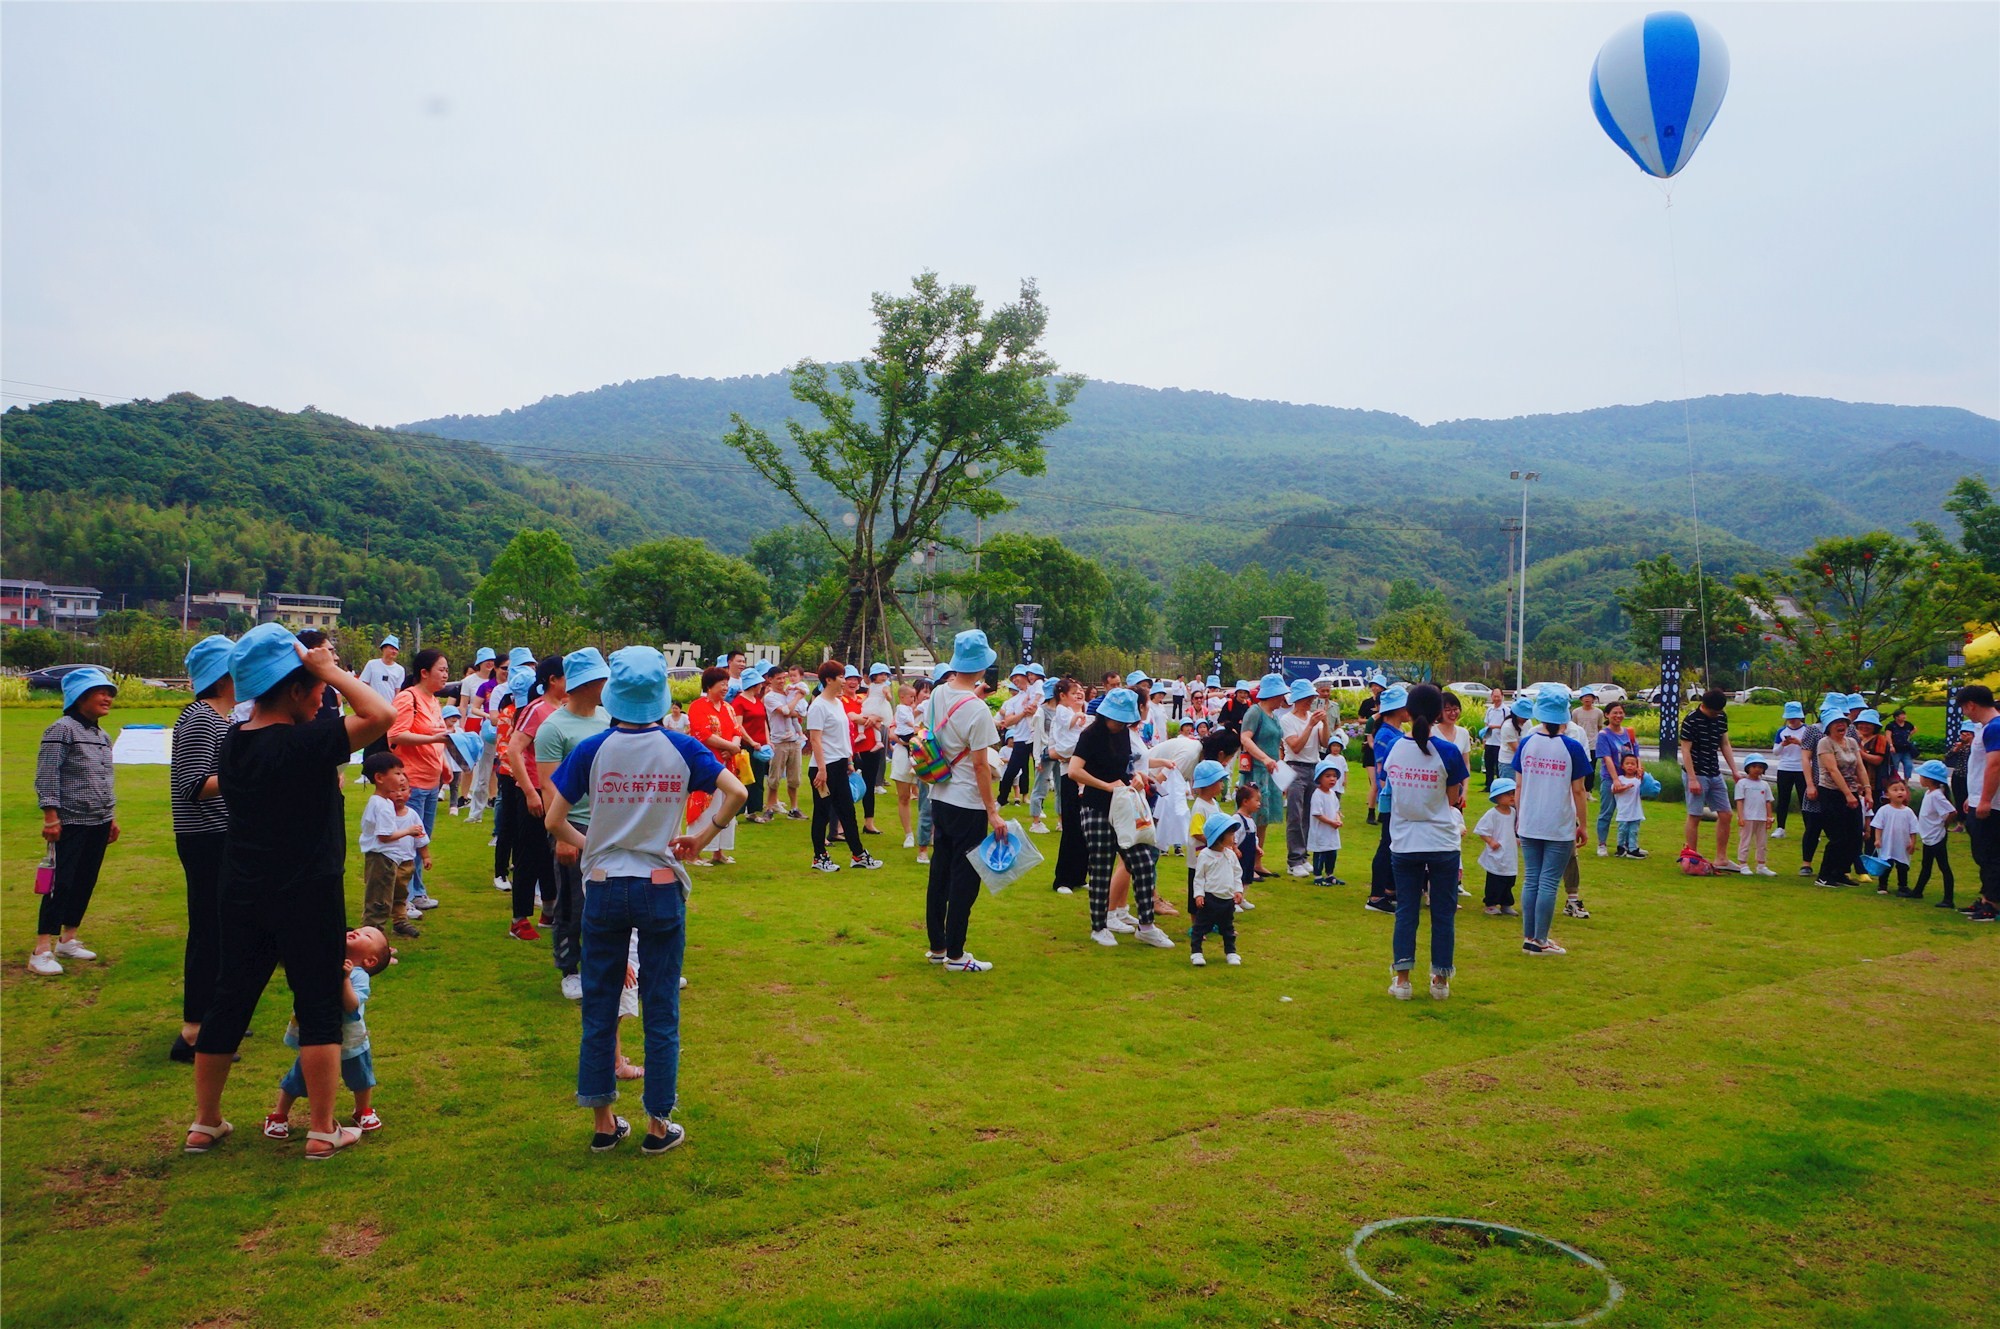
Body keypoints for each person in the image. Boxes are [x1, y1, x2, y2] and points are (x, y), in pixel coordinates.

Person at [184, 623, 394, 1160]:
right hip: (308, 892)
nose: (324, 695)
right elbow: (381, 716)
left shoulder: (234, 741)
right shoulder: (307, 740)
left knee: (230, 1000)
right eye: (317, 687)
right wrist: (331, 669)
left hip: (243, 888)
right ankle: (322, 1129)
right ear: (297, 688)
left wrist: (317, 671)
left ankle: (205, 1122)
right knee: (320, 1004)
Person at [546, 645, 748, 1155]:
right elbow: (738, 793)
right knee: (661, 1007)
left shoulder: (593, 749)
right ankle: (659, 1126)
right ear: (660, 695)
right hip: (660, 884)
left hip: (607, 886)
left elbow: (552, 820)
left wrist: (593, 848)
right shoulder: (681, 747)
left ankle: (603, 1122)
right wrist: (702, 838)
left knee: (600, 1004)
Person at [921, 630, 1011, 972]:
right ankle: (957, 954)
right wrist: (993, 811)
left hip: (939, 792)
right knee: (965, 878)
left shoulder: (939, 692)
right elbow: (979, 765)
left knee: (940, 872)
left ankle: (938, 947)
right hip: (968, 802)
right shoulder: (978, 710)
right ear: (983, 668)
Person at [261, 925, 393, 1141]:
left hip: (350, 1040)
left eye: (367, 935)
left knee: (361, 1077)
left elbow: (351, 1006)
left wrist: (344, 979)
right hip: (317, 1037)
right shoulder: (325, 959)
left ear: (369, 961)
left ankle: (363, 1110)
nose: (357, 931)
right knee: (300, 1076)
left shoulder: (358, 976)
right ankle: (279, 1114)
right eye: (359, 929)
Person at [31, 666, 122, 976]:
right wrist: (51, 817)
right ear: (79, 696)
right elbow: (47, 774)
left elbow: (104, 779)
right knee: (60, 883)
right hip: (69, 822)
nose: (107, 697)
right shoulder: (62, 729)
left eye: (110, 693)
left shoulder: (102, 735)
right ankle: (41, 949)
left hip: (98, 821)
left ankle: (68, 939)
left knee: (85, 880)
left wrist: (110, 817)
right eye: (101, 691)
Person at [1382, 683, 1470, 999]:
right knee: (1443, 913)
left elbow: (1391, 789)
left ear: (1407, 712)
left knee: (1406, 911)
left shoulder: (1395, 750)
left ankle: (1403, 981)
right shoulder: (1448, 751)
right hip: (1442, 842)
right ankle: (1440, 982)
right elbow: (1452, 798)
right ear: (1438, 713)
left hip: (1405, 842)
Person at [168, 638, 235, 1054]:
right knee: (208, 931)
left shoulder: (221, 719)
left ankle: (216, 1016)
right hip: (205, 838)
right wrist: (249, 773)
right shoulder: (200, 719)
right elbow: (193, 786)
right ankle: (193, 1030)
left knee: (226, 931)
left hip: (222, 836)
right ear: (223, 676)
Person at [1070, 687, 1174, 950]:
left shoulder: (1125, 735)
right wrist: (1104, 785)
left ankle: (1147, 926)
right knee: (1101, 867)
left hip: (1124, 808)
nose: (1120, 724)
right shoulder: (1091, 734)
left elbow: (1127, 768)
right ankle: (1099, 926)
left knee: (1142, 861)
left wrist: (1137, 778)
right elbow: (1074, 771)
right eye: (1118, 719)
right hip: (1096, 808)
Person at [536, 648, 611, 999]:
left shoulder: (609, 718)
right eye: (601, 679)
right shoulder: (553, 727)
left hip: (610, 822)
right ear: (586, 683)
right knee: (572, 900)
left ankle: (620, 966)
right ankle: (569, 968)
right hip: (573, 824)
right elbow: (549, 785)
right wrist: (561, 834)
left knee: (615, 896)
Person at [1511, 685, 1588, 957]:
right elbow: (1579, 790)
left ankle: (1530, 937)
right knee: (1547, 882)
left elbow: (1518, 787)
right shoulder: (1572, 747)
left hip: (1530, 820)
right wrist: (1583, 824)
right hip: (1558, 823)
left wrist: (1520, 818)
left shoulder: (1527, 743)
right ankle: (1540, 940)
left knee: (1532, 878)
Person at [504, 658, 566, 936]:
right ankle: (519, 919)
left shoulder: (565, 710)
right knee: (529, 853)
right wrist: (529, 791)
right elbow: (513, 750)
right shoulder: (536, 710)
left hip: (557, 793)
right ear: (553, 680)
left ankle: (550, 910)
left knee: (553, 853)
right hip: (534, 791)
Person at [388, 648, 451, 912]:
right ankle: (402, 898)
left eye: (447, 670)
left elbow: (439, 740)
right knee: (406, 842)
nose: (446, 675)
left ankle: (417, 892)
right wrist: (433, 740)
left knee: (422, 840)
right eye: (442, 669)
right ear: (424, 673)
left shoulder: (434, 701)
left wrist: (444, 766)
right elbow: (395, 734)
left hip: (430, 781)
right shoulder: (407, 698)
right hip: (410, 781)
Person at [807, 661, 880, 873]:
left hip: (839, 765)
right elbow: (815, 740)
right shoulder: (818, 706)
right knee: (821, 812)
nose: (845, 680)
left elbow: (842, 736)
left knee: (847, 812)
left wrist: (848, 761)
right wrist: (821, 769)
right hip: (824, 768)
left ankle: (858, 855)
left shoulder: (838, 703)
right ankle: (819, 856)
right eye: (841, 676)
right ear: (829, 680)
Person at [358, 751, 429, 939]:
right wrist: (408, 831)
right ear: (380, 778)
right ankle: (372, 942)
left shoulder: (383, 802)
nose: (401, 777)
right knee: (378, 902)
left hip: (388, 858)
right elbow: (384, 837)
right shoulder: (382, 805)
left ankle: (392, 927)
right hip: (382, 858)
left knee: (392, 895)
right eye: (397, 773)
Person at [686, 667, 746, 868]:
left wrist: (734, 747)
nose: (725, 688)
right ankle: (693, 852)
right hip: (705, 764)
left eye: (727, 684)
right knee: (705, 807)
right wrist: (731, 746)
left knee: (725, 806)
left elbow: (736, 730)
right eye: (722, 684)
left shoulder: (728, 708)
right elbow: (703, 735)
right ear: (709, 685)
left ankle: (718, 852)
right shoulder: (698, 706)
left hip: (727, 765)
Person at [1679, 688, 1743, 872]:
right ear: (1704, 706)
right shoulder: (1691, 720)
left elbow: (1724, 743)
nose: (1717, 715)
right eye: (1714, 712)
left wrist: (1734, 771)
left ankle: (1721, 858)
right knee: (1695, 814)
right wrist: (1692, 778)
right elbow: (1685, 750)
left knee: (1726, 814)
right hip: (1696, 772)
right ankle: (1692, 858)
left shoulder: (1721, 717)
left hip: (1714, 772)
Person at [1364, 684, 1412, 915]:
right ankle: (1376, 895)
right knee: (1387, 845)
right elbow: (1383, 772)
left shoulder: (1397, 732)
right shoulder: (1385, 734)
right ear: (1397, 709)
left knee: (1394, 844)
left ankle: (1390, 889)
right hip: (1391, 799)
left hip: (1397, 798)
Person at [1813, 708, 1869, 889]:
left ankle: (1840, 872)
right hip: (1831, 792)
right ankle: (1824, 875)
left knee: (1854, 836)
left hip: (1852, 791)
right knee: (1838, 836)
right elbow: (1832, 770)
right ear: (1828, 726)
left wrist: (1867, 790)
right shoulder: (1825, 743)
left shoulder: (1852, 742)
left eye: (1843, 722)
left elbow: (1860, 767)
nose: (1841, 725)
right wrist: (1846, 794)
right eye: (1836, 723)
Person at [1280, 679, 1330, 877]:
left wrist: (1324, 723)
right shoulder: (1287, 720)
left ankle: (1303, 856)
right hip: (1295, 768)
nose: (1311, 702)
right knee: (1295, 814)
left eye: (1312, 698)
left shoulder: (1312, 717)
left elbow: (1324, 743)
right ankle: (1294, 860)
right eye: (1308, 698)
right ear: (1298, 699)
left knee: (1308, 814)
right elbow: (1296, 746)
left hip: (1313, 767)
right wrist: (1310, 725)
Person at [1046, 679, 1091, 892]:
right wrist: (1079, 751)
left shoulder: (1086, 719)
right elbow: (1056, 751)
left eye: (1081, 691)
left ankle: (1080, 876)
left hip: (1087, 776)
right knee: (1071, 827)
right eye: (1075, 692)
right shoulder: (1061, 717)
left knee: (1085, 828)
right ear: (1063, 695)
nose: (1079, 694)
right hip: (1070, 776)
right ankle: (1063, 879)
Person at [1960, 684, 2000, 923]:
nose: (1965, 713)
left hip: (1992, 804)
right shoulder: (1986, 728)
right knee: (1981, 853)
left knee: (1990, 853)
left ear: (1971, 705)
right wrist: (1972, 796)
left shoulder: (1994, 728)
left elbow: (1995, 765)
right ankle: (1987, 897)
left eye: (1964, 708)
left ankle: (1992, 902)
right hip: (1979, 798)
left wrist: (1985, 800)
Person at [1188, 812, 1245, 967]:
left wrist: (1238, 890)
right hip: (1210, 899)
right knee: (1200, 927)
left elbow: (1236, 873)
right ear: (1219, 836)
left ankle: (1231, 952)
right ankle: (1196, 952)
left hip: (1227, 900)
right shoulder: (1205, 855)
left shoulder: (1230, 855)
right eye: (1231, 834)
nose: (1234, 837)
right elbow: (1199, 877)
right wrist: (1199, 894)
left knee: (1228, 927)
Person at [1910, 759, 1958, 906]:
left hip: (1936, 837)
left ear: (1930, 779)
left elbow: (1951, 812)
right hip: (1929, 837)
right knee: (1927, 865)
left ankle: (1948, 899)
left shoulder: (1937, 795)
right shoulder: (1930, 793)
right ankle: (1918, 891)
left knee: (1943, 867)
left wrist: (1943, 825)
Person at [1592, 702, 1638, 855]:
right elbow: (1607, 758)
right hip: (1610, 778)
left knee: (1630, 812)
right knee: (1607, 811)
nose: (1618, 716)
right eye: (1614, 713)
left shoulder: (1629, 733)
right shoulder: (1604, 735)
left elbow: (1635, 754)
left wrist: (1639, 769)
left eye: (1621, 713)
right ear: (1607, 715)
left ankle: (1628, 845)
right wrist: (1615, 780)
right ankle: (1602, 844)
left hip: (1629, 778)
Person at [764, 664, 808, 820]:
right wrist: (797, 697)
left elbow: (800, 712)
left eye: (784, 678)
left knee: (794, 777)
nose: (782, 681)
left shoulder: (788, 693)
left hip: (794, 741)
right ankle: (769, 808)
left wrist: (792, 706)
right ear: (770, 680)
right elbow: (785, 712)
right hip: (779, 742)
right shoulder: (770, 697)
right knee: (774, 777)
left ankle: (794, 808)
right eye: (778, 678)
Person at [733, 665, 773, 823]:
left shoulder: (757, 701)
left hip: (760, 746)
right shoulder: (739, 702)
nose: (761, 686)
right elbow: (739, 726)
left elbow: (763, 721)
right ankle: (736, 812)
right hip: (746, 747)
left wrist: (767, 742)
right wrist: (751, 741)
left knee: (758, 779)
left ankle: (753, 811)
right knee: (744, 778)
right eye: (759, 684)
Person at [356, 635, 405, 767]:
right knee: (371, 738)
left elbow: (397, 691)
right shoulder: (372, 665)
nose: (393, 651)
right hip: (373, 708)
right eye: (391, 648)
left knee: (386, 741)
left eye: (396, 649)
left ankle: (385, 767)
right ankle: (367, 767)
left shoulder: (399, 670)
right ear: (383, 649)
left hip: (389, 709)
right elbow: (363, 684)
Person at [995, 663, 1039, 807]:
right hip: (1021, 738)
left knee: (1039, 770)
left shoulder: (1036, 692)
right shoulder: (1013, 701)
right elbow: (1008, 721)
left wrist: (1031, 711)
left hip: (1037, 737)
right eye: (1012, 678)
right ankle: (1001, 799)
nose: (1014, 680)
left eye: (1016, 677)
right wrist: (1023, 713)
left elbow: (1040, 710)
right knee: (1012, 770)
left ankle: (1037, 804)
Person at [1476, 779, 1519, 916]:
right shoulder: (1492, 814)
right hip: (1497, 852)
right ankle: (1491, 904)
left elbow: (1513, 829)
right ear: (1498, 797)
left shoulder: (1513, 813)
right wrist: (1490, 841)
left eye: (1514, 793)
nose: (1512, 797)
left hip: (1509, 852)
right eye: (1508, 794)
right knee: (1495, 879)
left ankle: (1506, 903)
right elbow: (1482, 830)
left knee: (1509, 879)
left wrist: (1516, 839)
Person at [1868, 778, 1919, 896]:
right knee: (1886, 864)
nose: (1899, 792)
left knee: (1903, 866)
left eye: (1902, 789)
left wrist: (1912, 843)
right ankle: (1882, 885)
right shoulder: (1884, 810)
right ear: (1887, 794)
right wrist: (1877, 839)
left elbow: (1913, 830)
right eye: (1895, 790)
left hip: (1902, 845)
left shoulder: (1908, 812)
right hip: (1887, 843)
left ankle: (1903, 886)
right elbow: (1878, 826)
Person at [1732, 755, 1775, 875]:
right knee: (1745, 841)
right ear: (1748, 768)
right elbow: (1739, 801)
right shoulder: (1742, 783)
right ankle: (1743, 864)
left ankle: (1761, 865)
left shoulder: (1765, 785)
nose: (1757, 769)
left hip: (1761, 817)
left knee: (1762, 843)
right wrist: (1741, 817)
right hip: (1747, 817)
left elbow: (1768, 802)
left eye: (1760, 767)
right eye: (1754, 766)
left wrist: (1769, 817)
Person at [1771, 701, 1809, 839]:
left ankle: (1809, 829)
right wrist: (1783, 744)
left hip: (1802, 768)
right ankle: (1780, 827)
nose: (1792, 720)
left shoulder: (1807, 730)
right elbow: (1775, 752)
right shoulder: (1782, 732)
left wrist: (1799, 743)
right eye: (1790, 717)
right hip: (1785, 768)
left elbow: (1813, 749)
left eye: (1795, 717)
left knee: (1805, 799)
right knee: (1783, 799)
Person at [1307, 755, 1343, 886]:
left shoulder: (1332, 794)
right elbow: (1317, 814)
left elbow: (1336, 809)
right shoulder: (1317, 794)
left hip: (1331, 831)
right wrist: (1331, 822)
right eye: (1327, 776)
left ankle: (1330, 874)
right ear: (1319, 778)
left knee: (1332, 853)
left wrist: (1338, 819)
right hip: (1321, 831)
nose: (1332, 779)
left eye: (1334, 776)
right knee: (1320, 853)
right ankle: (1317, 876)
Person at [1611, 753, 1648, 859]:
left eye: (1633, 764)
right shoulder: (1619, 779)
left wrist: (1643, 774)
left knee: (1633, 831)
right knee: (1622, 830)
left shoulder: (1638, 780)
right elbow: (1614, 790)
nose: (1630, 766)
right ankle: (1621, 848)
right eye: (1627, 763)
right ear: (1622, 766)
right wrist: (1625, 787)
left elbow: (1647, 788)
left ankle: (1632, 849)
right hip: (1623, 811)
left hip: (1635, 811)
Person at [1481, 689, 1509, 793]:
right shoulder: (1490, 710)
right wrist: (1485, 739)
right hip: (1490, 742)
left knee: (1498, 767)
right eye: (1494, 696)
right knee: (1488, 765)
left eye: (1498, 696)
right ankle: (1488, 786)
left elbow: (1507, 726)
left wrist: (1495, 727)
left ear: (1502, 696)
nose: (1496, 699)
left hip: (1499, 742)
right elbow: (1486, 725)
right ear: (1491, 697)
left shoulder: (1506, 710)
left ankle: (1500, 787)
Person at [1887, 709, 1917, 784]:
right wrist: (1891, 745)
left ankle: (1906, 782)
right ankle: (1893, 782)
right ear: (1896, 717)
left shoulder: (1908, 724)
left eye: (1904, 714)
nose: (1904, 716)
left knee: (1909, 765)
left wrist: (1909, 736)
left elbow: (1914, 729)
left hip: (1906, 749)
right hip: (1896, 750)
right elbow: (1888, 736)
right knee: (1894, 766)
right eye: (1902, 715)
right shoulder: (1891, 725)